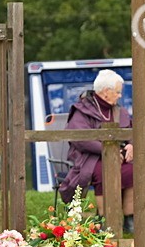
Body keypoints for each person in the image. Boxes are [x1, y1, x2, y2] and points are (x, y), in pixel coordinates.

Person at [57, 69, 135, 233]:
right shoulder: (82, 110)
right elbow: (81, 138)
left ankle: (130, 219)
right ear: (106, 92)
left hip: (120, 157)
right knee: (103, 171)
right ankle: (105, 219)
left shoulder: (119, 111)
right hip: (90, 159)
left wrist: (130, 145)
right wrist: (110, 151)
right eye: (118, 92)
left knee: (133, 170)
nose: (120, 96)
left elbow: (132, 131)